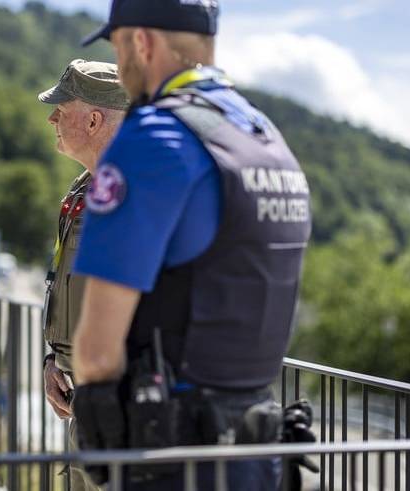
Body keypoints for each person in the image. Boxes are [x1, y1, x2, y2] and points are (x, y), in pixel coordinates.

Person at [71, 1, 312, 489]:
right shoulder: (264, 139)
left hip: (173, 456)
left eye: (118, 49)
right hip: (260, 449)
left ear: (141, 41)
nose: (120, 67)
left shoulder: (154, 138)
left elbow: (96, 351)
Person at [38, 58, 129, 491]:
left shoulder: (138, 190)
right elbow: (67, 284)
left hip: (123, 404)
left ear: (94, 119)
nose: (52, 117)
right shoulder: (82, 188)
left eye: (62, 108)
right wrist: (54, 359)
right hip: (85, 397)